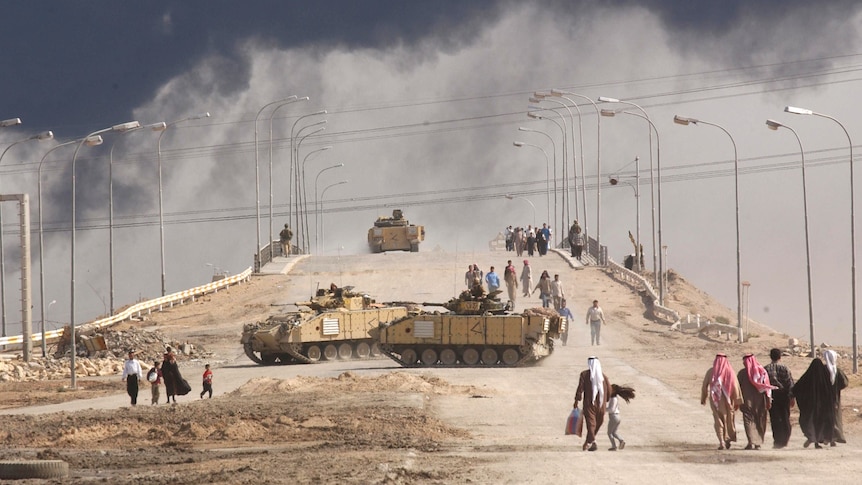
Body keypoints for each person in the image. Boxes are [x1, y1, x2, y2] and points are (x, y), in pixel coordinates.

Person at [701, 353, 742, 450]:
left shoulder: (711, 372)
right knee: (729, 420)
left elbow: (704, 386)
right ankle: (727, 439)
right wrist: (737, 401)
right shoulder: (730, 372)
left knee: (718, 420)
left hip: (716, 401)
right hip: (729, 401)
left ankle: (721, 441)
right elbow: (736, 388)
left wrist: (703, 398)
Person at [792, 357, 836, 448]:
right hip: (823, 406)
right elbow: (831, 392)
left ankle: (813, 439)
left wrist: (792, 395)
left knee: (811, 422)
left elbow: (797, 387)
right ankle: (822, 440)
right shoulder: (825, 377)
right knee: (822, 423)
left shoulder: (808, 376)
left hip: (811, 406)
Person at [573, 356, 611, 451]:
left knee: (591, 425)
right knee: (596, 424)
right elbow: (609, 391)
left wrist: (577, 401)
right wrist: (606, 401)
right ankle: (589, 442)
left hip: (589, 405)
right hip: (601, 406)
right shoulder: (604, 377)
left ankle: (592, 441)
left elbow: (580, 389)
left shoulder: (584, 375)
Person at [737, 353, 775, 450]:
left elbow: (737, 388)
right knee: (760, 421)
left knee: (749, 422)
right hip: (759, 402)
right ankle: (756, 442)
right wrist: (768, 400)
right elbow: (767, 388)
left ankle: (752, 442)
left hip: (748, 402)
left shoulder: (742, 373)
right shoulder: (762, 372)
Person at [764, 348, 795, 448]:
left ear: (770, 356)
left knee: (775, 418)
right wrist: (792, 397)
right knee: (785, 417)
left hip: (772, 394)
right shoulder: (785, 368)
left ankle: (777, 441)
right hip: (784, 395)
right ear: (780, 357)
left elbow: (764, 384)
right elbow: (790, 383)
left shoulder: (766, 369)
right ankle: (785, 439)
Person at [823, 349, 848, 445]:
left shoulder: (822, 370)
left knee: (825, 418)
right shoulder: (838, 371)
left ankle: (827, 437)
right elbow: (845, 383)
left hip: (824, 399)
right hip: (835, 398)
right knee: (835, 418)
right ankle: (833, 438)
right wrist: (837, 388)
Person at [607, 384, 636, 451]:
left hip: (613, 417)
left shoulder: (613, 399)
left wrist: (603, 410)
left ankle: (614, 446)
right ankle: (621, 440)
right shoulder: (615, 398)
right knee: (614, 432)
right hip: (617, 417)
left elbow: (611, 409)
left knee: (609, 433)